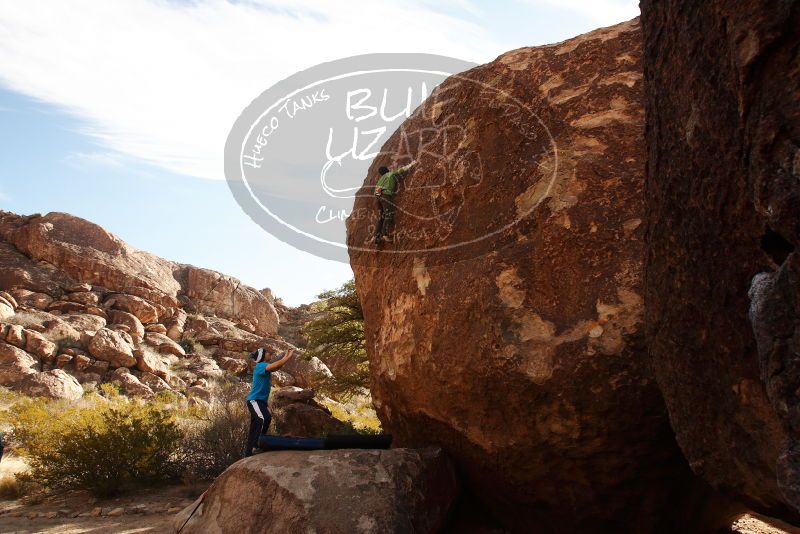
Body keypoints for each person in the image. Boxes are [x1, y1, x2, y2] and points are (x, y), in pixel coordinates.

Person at [244, 347, 294, 457]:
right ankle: (256, 446)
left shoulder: (264, 367)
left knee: (255, 427)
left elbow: (277, 366)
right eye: (267, 353)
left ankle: (248, 453)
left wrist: (286, 356)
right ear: (262, 356)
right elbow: (275, 365)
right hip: (255, 400)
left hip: (261, 402)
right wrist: (287, 357)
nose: (270, 354)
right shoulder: (261, 366)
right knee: (264, 418)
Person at [373, 160, 417, 245]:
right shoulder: (389, 174)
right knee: (389, 214)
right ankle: (384, 234)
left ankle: (376, 236)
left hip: (378, 197)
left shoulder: (380, 179)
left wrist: (379, 198)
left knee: (382, 216)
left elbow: (377, 190)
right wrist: (411, 164)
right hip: (386, 195)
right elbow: (400, 170)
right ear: (387, 170)